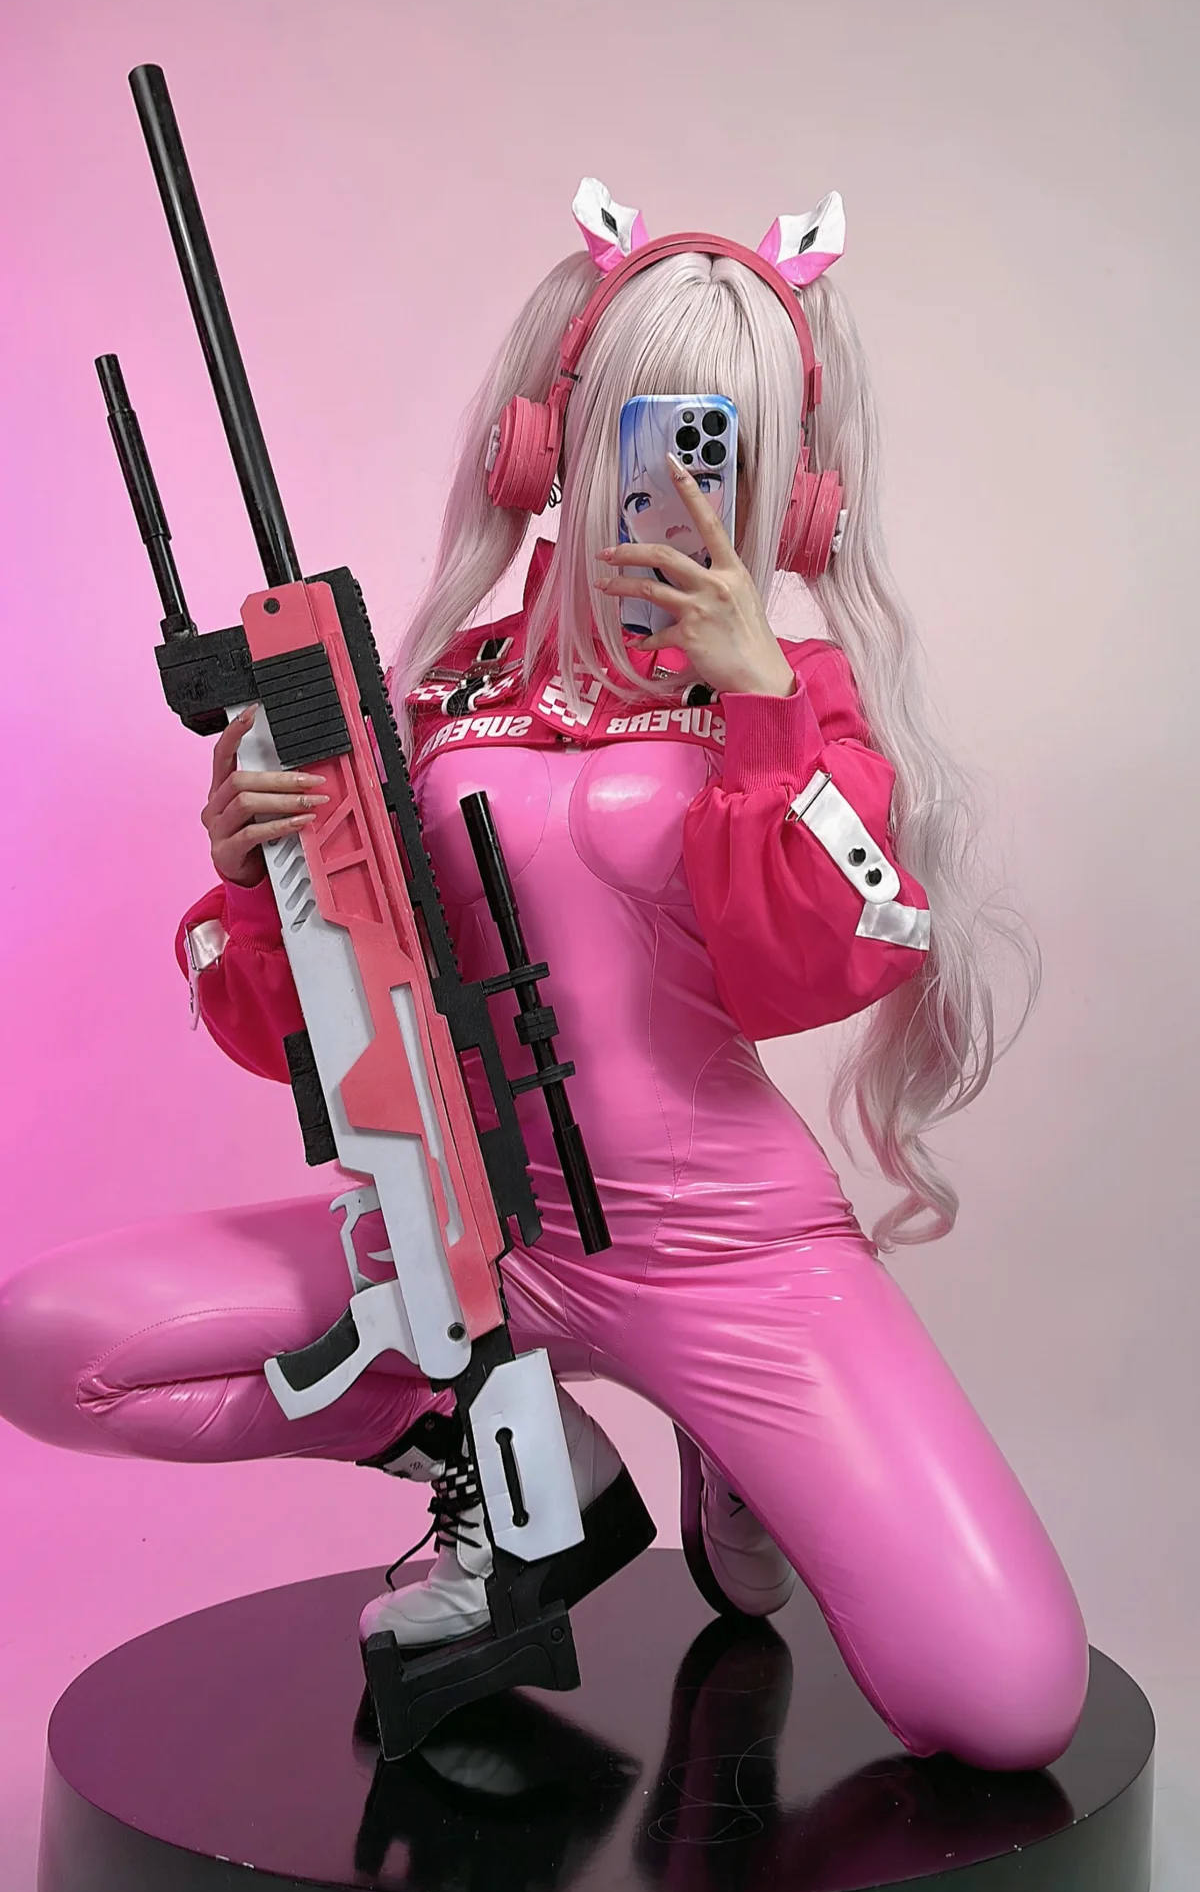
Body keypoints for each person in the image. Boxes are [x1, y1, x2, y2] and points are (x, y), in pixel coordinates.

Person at [0, 182, 1089, 1768]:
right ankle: (503, 1444)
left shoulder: (801, 699)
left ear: (793, 491)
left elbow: (813, 971)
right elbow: (297, 1025)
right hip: (466, 1226)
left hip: (727, 1250)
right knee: (51, 1345)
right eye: (644, 434)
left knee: (1005, 1704)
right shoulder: (439, 695)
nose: (677, 487)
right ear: (549, 447)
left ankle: (732, 1441)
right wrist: (252, 874)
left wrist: (760, 709)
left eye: (722, 448)